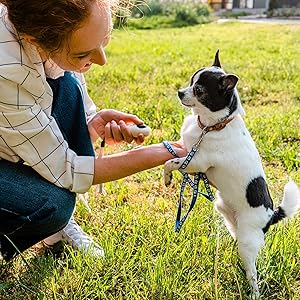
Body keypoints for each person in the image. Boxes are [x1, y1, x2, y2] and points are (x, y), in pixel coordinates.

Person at [0, 0, 186, 261]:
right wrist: (162, 152)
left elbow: (71, 106)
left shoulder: (46, 28)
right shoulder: (6, 70)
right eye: (83, 54)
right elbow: (70, 171)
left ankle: (56, 232)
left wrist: (93, 124)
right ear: (35, 40)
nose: (102, 60)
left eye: (105, 39)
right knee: (52, 206)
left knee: (66, 81)